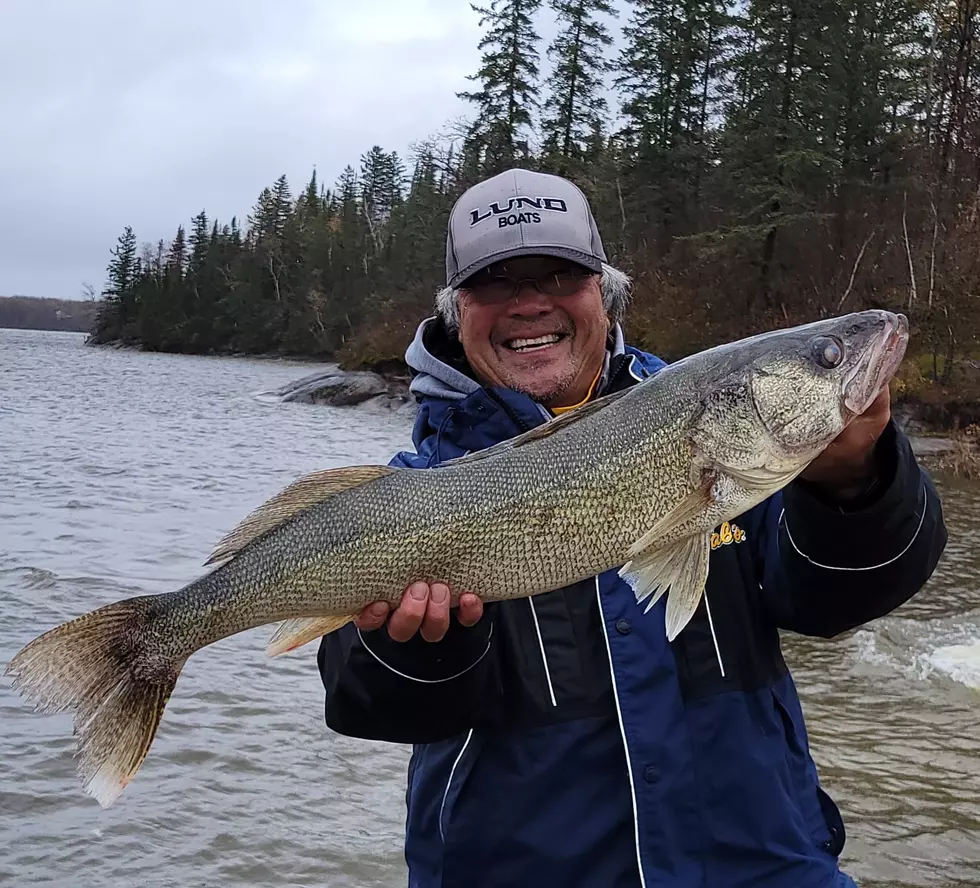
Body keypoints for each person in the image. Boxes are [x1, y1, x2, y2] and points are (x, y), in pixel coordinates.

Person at [316, 168, 947, 888]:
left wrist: (853, 478)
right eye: (496, 282)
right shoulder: (407, 488)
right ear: (458, 311)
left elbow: (835, 601)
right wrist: (423, 649)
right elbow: (365, 703)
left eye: (560, 275)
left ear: (605, 296)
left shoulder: (726, 435)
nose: (529, 303)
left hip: (766, 868)